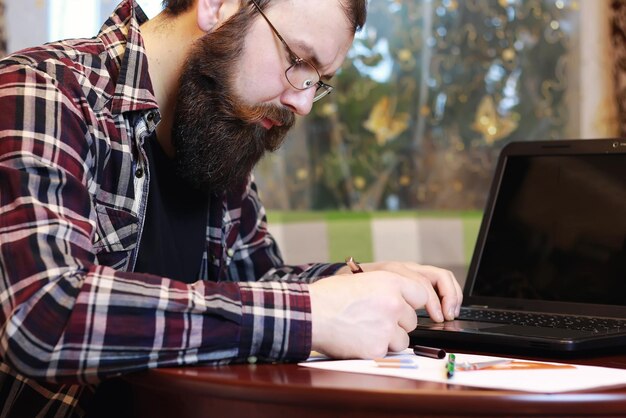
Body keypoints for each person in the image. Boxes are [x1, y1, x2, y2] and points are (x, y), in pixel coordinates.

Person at [0, 0, 463, 416]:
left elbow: (258, 286)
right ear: (217, 5)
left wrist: (350, 283)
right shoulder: (41, 90)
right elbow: (44, 315)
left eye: (317, 83)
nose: (302, 104)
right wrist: (313, 314)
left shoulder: (219, 127)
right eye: (298, 61)